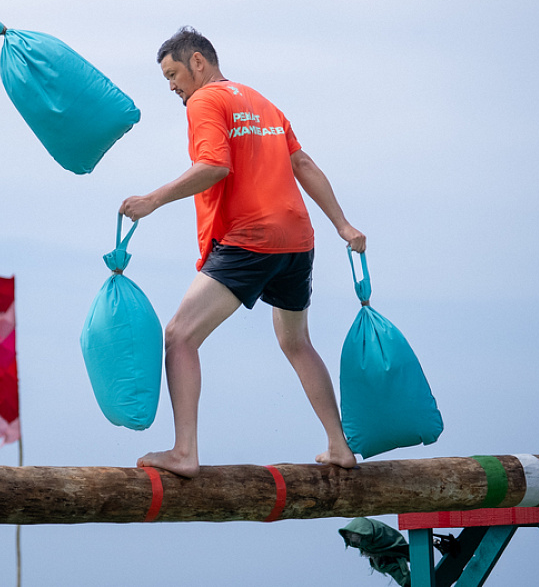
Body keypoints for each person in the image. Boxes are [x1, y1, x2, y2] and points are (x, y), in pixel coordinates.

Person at [120, 27, 366, 477]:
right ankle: (339, 445)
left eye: (173, 74)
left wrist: (153, 200)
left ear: (198, 62)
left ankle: (184, 452)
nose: (172, 86)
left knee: (179, 337)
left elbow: (214, 165)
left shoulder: (205, 101)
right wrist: (342, 225)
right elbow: (302, 163)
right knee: (296, 342)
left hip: (250, 237)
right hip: (297, 240)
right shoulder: (261, 101)